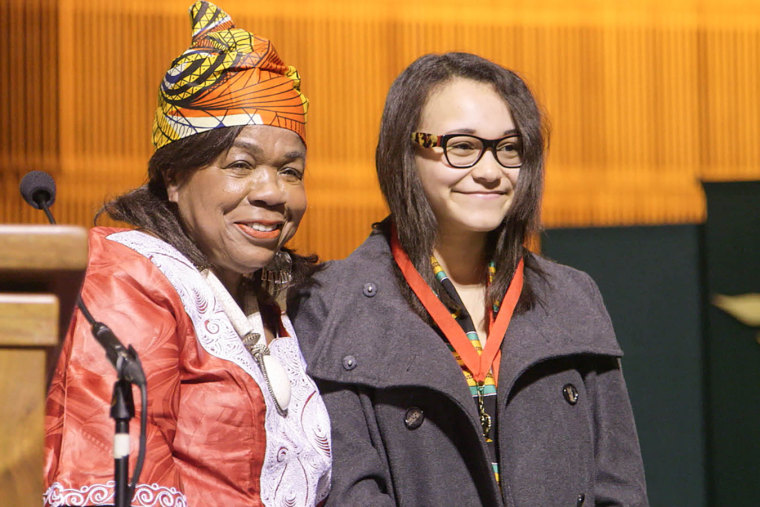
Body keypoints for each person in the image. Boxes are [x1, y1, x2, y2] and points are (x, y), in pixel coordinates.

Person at [290, 52, 648, 506]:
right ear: (405, 151)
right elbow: (349, 491)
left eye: (510, 148)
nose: (489, 170)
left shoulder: (573, 295)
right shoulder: (330, 302)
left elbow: (619, 487)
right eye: (461, 146)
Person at [43, 2, 331, 505]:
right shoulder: (129, 276)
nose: (274, 192)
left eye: (291, 171)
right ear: (174, 178)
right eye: (241, 164)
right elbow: (116, 481)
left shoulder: (265, 301)